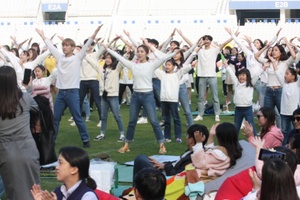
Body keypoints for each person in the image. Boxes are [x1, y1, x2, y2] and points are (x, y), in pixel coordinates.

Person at [102, 42, 178, 154]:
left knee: (154, 121)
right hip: (136, 96)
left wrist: (174, 52)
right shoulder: (134, 65)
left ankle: (162, 145)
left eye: (142, 51)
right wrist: (108, 49)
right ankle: (126, 145)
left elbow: (163, 58)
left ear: (147, 53)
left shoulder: (151, 65)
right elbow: (119, 58)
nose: (139, 53)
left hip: (148, 96)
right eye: (138, 51)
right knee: (132, 121)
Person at [35, 26, 102, 148]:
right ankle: (52, 140)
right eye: (63, 45)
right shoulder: (59, 57)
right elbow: (50, 46)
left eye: (67, 45)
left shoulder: (77, 57)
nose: (64, 47)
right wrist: (42, 36)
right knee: (55, 118)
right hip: (61, 94)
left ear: (72, 47)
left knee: (77, 118)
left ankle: (85, 139)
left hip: (72, 93)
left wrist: (95, 33)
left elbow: (87, 45)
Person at [0, 66, 40, 199]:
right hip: (27, 148)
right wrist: (28, 89)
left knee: (14, 192)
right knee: (33, 192)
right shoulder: (25, 99)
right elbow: (37, 108)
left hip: (6, 151)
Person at [133, 124, 209, 178]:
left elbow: (177, 174)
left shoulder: (193, 157)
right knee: (143, 159)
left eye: (187, 136)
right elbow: (176, 164)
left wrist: (164, 166)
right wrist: (162, 164)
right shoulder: (190, 151)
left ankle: (134, 192)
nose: (186, 138)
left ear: (191, 140)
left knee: (140, 160)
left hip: (167, 177)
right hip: (166, 170)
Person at [31, 146, 98, 200]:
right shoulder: (58, 191)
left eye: (61, 163)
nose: (57, 167)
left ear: (74, 170)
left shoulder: (88, 196)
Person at [194, 35, 234, 122]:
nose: (206, 41)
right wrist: (199, 43)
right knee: (201, 97)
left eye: (208, 40)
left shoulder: (214, 50)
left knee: (215, 97)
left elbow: (224, 43)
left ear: (211, 41)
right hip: (202, 76)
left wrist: (233, 36)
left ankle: (217, 114)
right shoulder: (200, 50)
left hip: (212, 76)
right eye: (205, 39)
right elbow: (193, 47)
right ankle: (200, 114)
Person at [94, 53, 125, 142]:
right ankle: (102, 134)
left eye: (109, 58)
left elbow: (122, 61)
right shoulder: (102, 69)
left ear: (113, 60)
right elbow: (92, 62)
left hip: (113, 96)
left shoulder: (116, 70)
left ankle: (122, 134)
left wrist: (127, 52)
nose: (107, 60)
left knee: (117, 116)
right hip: (103, 96)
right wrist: (84, 54)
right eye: (106, 58)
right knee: (103, 116)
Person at [224, 65, 261, 135]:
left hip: (248, 109)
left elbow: (257, 75)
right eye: (240, 75)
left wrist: (263, 68)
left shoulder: (250, 84)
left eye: (243, 75)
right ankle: (233, 143)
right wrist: (227, 66)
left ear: (247, 76)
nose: (241, 77)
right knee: (236, 126)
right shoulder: (237, 83)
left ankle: (255, 142)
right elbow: (232, 74)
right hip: (238, 109)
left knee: (251, 126)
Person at [274, 65, 300, 144]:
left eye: (287, 73)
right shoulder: (284, 84)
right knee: (284, 131)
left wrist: (297, 72)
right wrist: (273, 61)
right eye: (285, 73)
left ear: (293, 76)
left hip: (294, 114)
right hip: (284, 113)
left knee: (296, 130)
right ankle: (285, 147)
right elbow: (277, 73)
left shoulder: (297, 84)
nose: (285, 75)